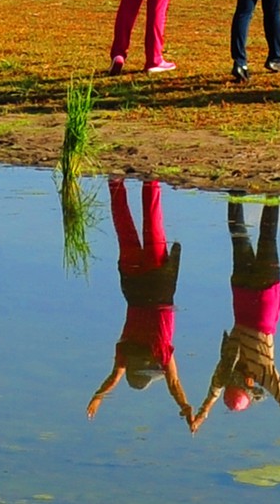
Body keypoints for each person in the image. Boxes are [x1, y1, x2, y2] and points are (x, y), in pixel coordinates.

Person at [191, 200, 280, 438]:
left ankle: (273, 193)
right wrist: (201, 415)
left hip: (266, 298)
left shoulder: (263, 372)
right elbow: (212, 395)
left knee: (268, 237)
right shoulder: (225, 368)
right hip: (242, 293)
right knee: (238, 235)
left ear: (248, 385)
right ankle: (234, 192)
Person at [86, 177, 193, 426]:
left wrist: (186, 406)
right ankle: (115, 182)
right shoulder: (126, 350)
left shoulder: (161, 353)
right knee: (125, 230)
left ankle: (150, 181)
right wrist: (98, 397)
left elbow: (174, 383)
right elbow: (115, 376)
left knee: (153, 227)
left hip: (158, 285)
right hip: (133, 286)